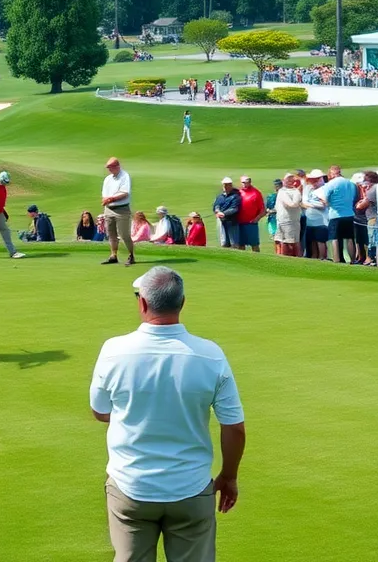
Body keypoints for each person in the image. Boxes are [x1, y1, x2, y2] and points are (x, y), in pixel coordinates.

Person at [90, 266, 246, 562]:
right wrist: (228, 476)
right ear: (182, 303)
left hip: (130, 487)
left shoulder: (113, 350)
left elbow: (100, 412)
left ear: (143, 303)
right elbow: (234, 427)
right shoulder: (211, 354)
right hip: (190, 487)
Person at [101, 157, 135, 266]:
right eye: (108, 168)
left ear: (117, 166)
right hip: (109, 209)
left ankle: (131, 255)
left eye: (111, 168)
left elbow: (125, 193)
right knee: (111, 234)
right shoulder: (107, 179)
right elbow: (104, 194)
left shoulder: (125, 176)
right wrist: (106, 200)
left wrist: (111, 199)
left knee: (124, 234)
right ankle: (113, 255)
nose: (109, 170)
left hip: (122, 209)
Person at [302, 170, 329, 261]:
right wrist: (312, 204)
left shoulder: (324, 189)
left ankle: (322, 257)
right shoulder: (308, 188)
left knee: (320, 240)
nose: (313, 182)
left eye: (315, 180)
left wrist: (311, 204)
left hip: (321, 220)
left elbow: (323, 205)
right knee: (312, 240)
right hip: (310, 219)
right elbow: (304, 202)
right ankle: (314, 256)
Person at [274, 175, 303, 257]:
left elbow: (292, 204)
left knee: (291, 243)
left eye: (291, 180)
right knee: (281, 241)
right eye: (287, 180)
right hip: (281, 220)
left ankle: (294, 261)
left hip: (291, 221)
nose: (289, 181)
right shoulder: (282, 191)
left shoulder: (296, 192)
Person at [211, 178, 241, 249]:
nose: (224, 187)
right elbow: (216, 205)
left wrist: (223, 213)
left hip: (231, 221)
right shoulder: (220, 196)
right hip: (221, 221)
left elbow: (234, 208)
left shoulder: (235, 196)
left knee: (234, 243)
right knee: (224, 242)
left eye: (226, 185)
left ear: (230, 185)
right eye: (224, 185)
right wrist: (217, 211)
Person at [236, 176, 264, 252]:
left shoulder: (256, 193)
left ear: (250, 182)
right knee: (240, 245)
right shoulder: (238, 192)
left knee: (254, 244)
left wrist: (257, 219)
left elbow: (262, 210)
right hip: (240, 223)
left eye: (246, 182)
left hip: (251, 223)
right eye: (243, 183)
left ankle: (257, 260)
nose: (245, 184)